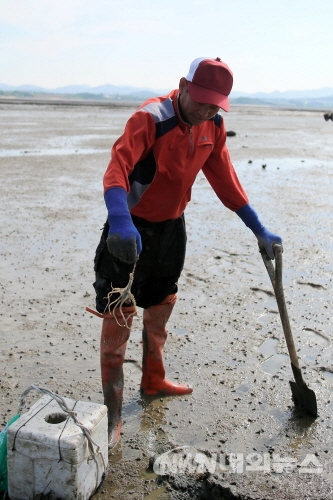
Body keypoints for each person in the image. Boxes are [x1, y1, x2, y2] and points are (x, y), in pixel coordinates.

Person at [90, 56, 282, 448]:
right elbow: (117, 169)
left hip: (171, 230)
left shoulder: (212, 124)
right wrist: (119, 219)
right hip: (130, 228)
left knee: (161, 302)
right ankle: (113, 416)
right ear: (183, 85)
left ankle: (153, 379)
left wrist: (257, 227)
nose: (207, 110)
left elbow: (225, 177)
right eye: (202, 101)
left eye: (217, 105)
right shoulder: (150, 118)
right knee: (119, 309)